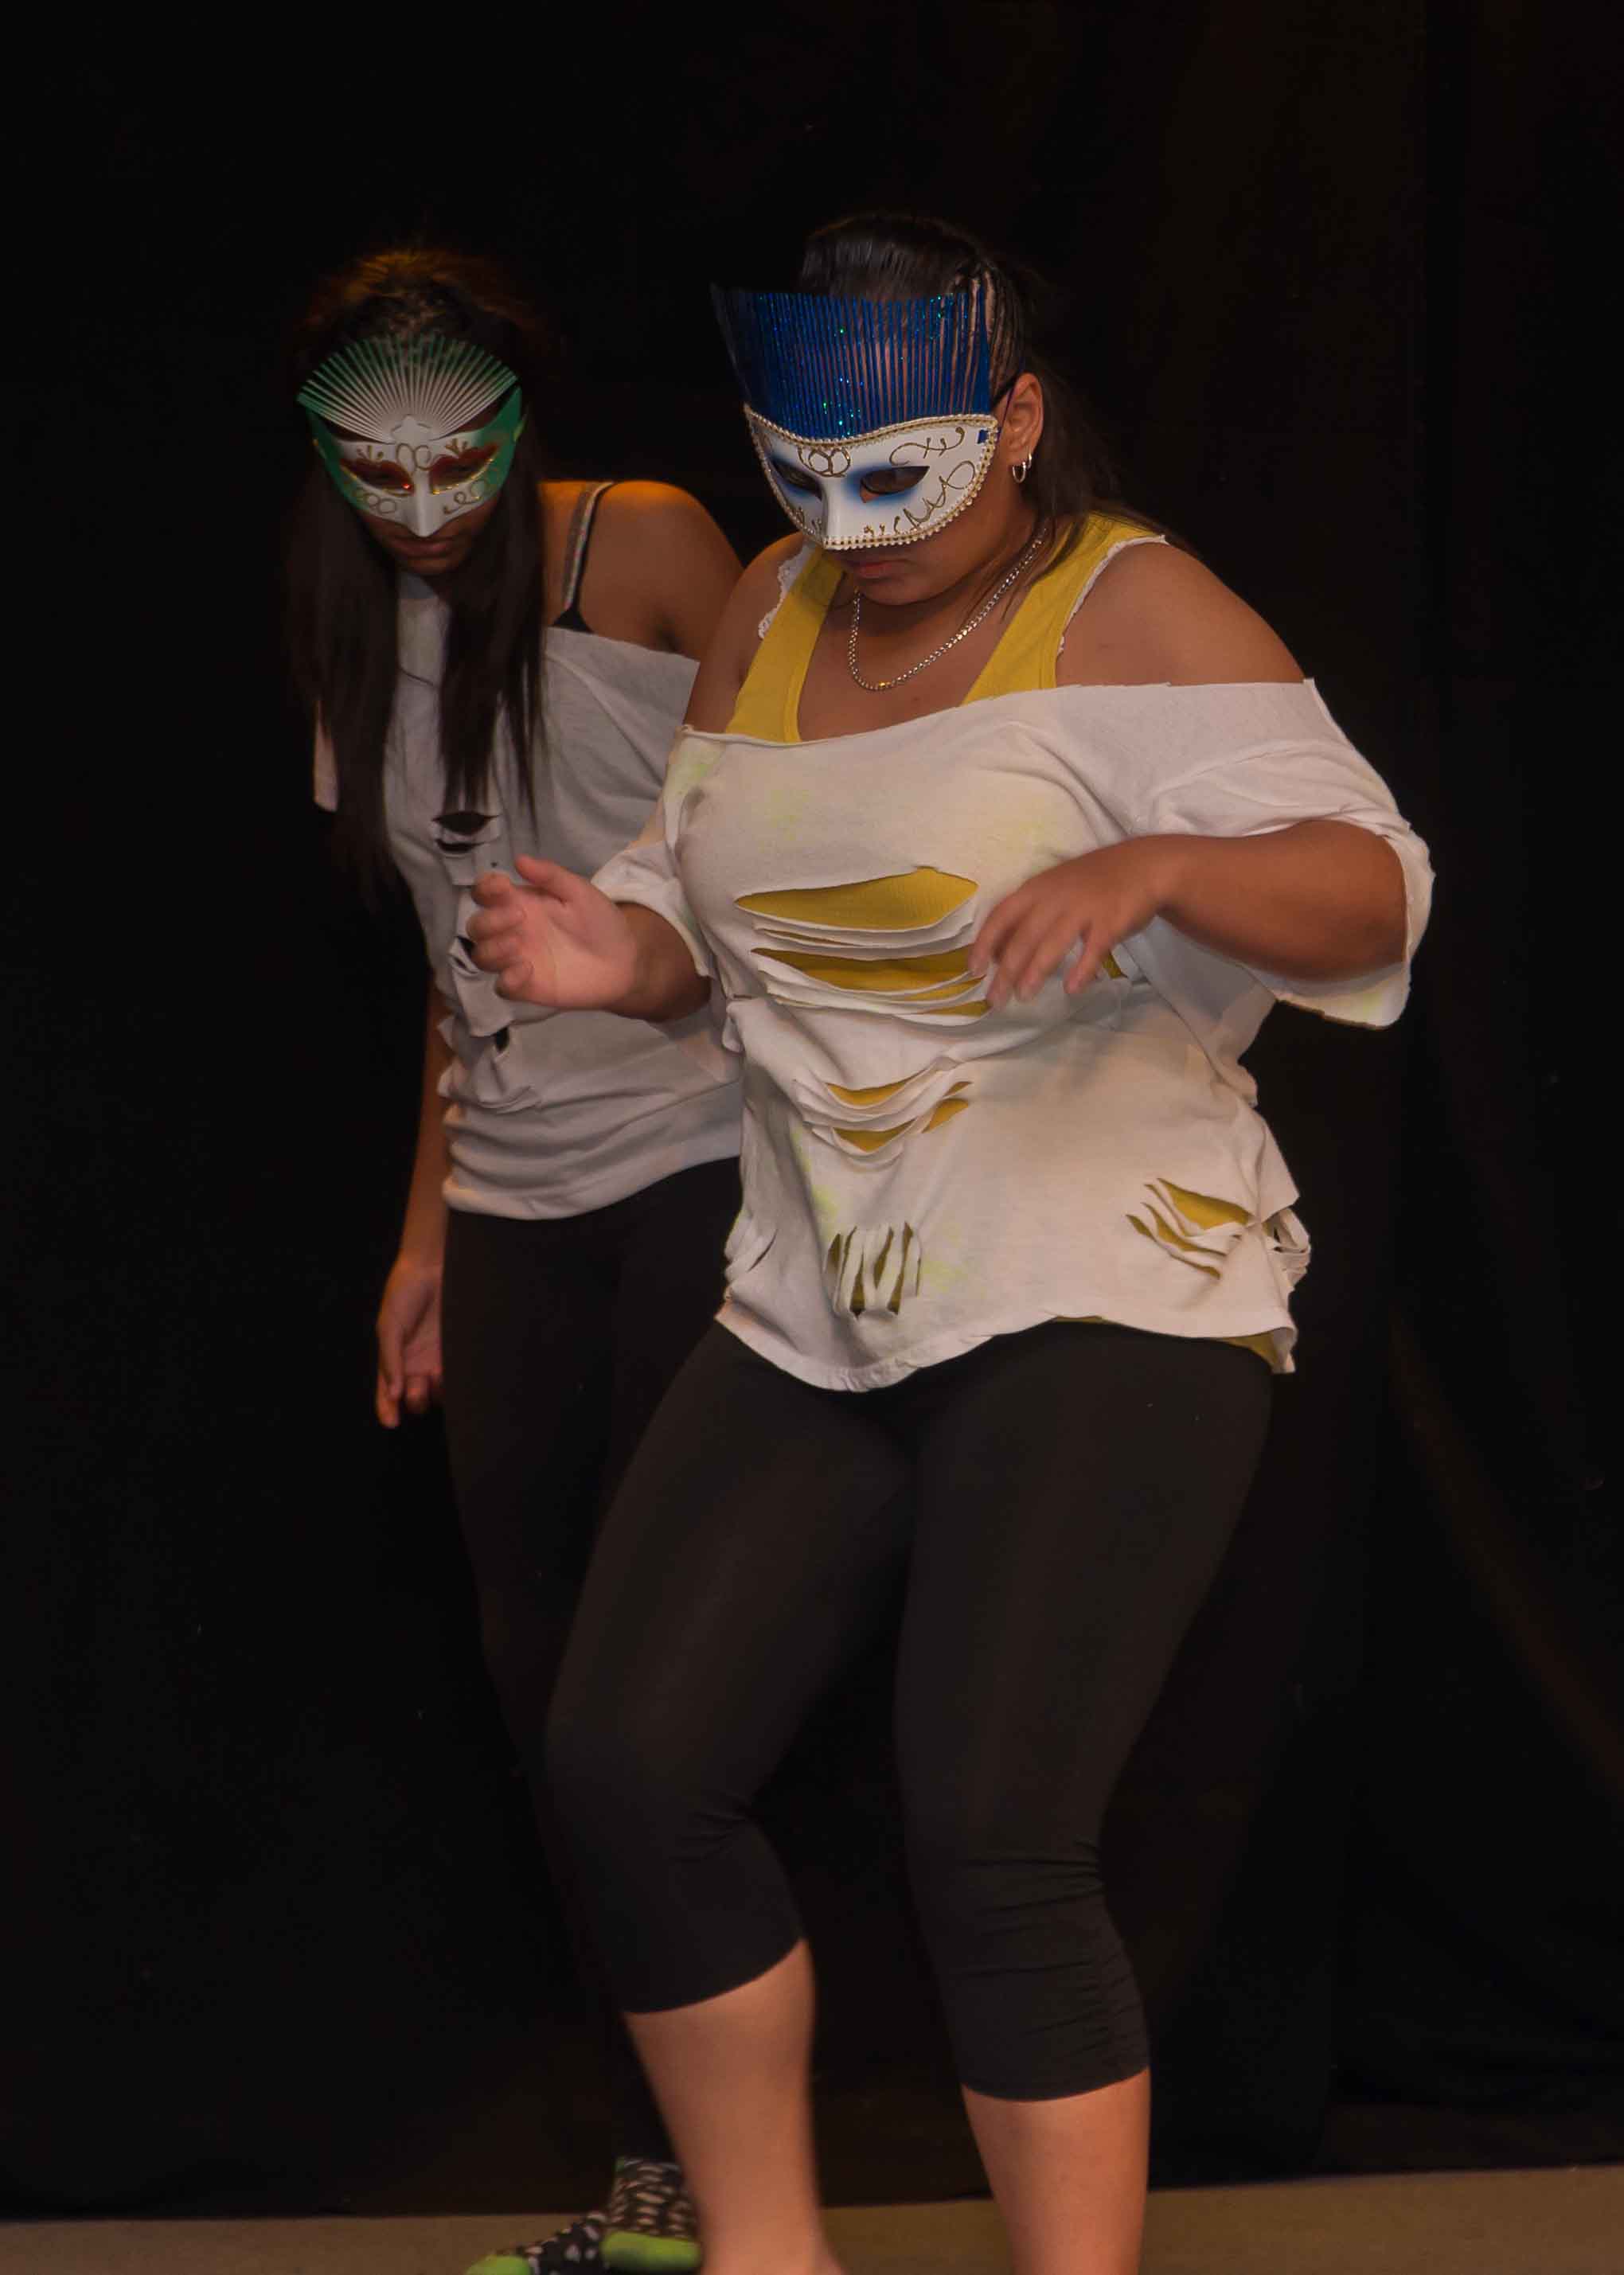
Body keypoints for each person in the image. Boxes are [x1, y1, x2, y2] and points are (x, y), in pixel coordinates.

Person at [464, 213, 1431, 2275]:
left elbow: (1372, 887)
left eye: (896, 476)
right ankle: (766, 2258)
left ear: (1013, 421)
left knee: (994, 1827)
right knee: (630, 1767)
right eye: (801, 476)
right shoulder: (768, 602)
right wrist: (617, 952)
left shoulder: (1128, 604)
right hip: (823, 1287)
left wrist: (1159, 861)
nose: (852, 528)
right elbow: (694, 893)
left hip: (1106, 1277)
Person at [290, 247, 746, 2275]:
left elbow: (799, 818)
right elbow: (441, 963)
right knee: (550, 1697)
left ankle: (742, 2187)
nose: (419, 500)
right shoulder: (344, 623)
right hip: (511, 1203)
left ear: (513, 409)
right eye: (372, 465)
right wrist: (422, 1235)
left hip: (704, 1158)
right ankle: (659, 2181)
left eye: (452, 451)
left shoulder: (632, 546)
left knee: (670, 1701)